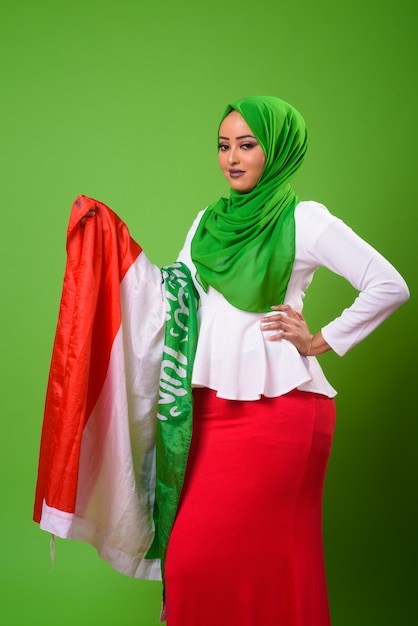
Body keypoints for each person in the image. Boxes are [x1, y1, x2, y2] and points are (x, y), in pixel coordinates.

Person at [158, 96, 409, 625]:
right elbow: (176, 297)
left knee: (271, 562)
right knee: (188, 563)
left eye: (247, 145)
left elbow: (390, 285)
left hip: (281, 411)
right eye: (224, 146)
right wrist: (111, 255)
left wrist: (321, 339)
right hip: (207, 408)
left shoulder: (304, 219)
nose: (232, 158)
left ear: (278, 151)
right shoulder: (207, 222)